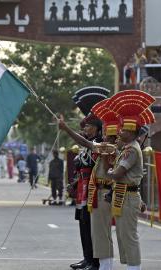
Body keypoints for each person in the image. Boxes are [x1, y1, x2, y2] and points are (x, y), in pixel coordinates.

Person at [60, 96, 119, 270]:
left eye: (88, 125)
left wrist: (66, 129)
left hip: (94, 190)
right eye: (85, 126)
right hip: (83, 189)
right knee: (83, 224)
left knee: (93, 227)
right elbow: (82, 168)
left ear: (98, 128)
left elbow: (93, 166)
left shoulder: (101, 145)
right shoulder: (88, 145)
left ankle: (95, 261)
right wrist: (75, 182)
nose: (85, 128)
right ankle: (87, 258)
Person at [106, 90, 156, 270]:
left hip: (127, 196)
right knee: (122, 234)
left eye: (125, 129)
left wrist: (111, 171)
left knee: (129, 235)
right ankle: (131, 266)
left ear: (132, 131)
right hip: (123, 194)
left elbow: (118, 173)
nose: (121, 132)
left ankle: (134, 267)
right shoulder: (128, 147)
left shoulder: (132, 149)